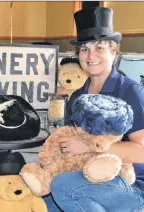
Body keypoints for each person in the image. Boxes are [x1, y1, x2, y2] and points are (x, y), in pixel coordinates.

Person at [43, 7, 144, 212]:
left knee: (62, 186)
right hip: (87, 174)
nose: (91, 56)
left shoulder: (131, 91)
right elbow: (70, 142)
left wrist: (90, 146)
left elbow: (141, 152)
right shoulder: (77, 96)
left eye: (99, 48)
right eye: (84, 49)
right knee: (44, 200)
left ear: (114, 51)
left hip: (131, 184)